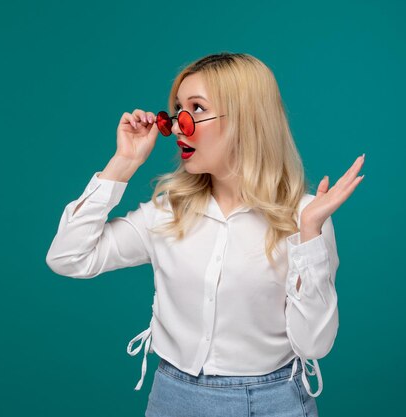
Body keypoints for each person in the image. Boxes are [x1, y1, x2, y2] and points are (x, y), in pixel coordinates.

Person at [45, 52, 365, 417]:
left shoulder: (305, 216)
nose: (179, 126)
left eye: (196, 109)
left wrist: (309, 235)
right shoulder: (167, 212)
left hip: (272, 402)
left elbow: (314, 345)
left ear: (246, 119)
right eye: (178, 109)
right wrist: (124, 163)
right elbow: (68, 257)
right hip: (171, 398)